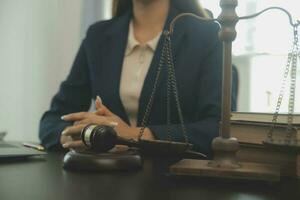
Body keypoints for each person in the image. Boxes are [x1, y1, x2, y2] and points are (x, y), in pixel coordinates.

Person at [39, 0, 237, 157]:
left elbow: (217, 129)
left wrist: (131, 135)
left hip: (176, 182)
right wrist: (85, 135)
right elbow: (52, 121)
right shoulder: (98, 36)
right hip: (105, 182)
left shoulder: (209, 36)